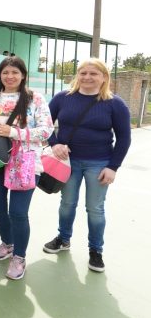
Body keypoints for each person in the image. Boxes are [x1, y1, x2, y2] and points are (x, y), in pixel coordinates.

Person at [42, 58, 131, 273]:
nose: (88, 77)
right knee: (67, 203)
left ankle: (95, 250)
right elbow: (43, 124)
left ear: (103, 77)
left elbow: (124, 138)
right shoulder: (63, 98)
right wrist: (55, 144)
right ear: (77, 76)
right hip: (67, 163)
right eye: (83, 73)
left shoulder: (115, 104)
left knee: (95, 209)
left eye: (94, 73)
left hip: (99, 163)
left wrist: (113, 167)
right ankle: (63, 239)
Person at [0, 56, 54, 280]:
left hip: (26, 162)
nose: (10, 76)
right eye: (5, 72)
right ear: (0, 75)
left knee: (18, 213)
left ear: (23, 75)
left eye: (15, 72)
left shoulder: (35, 99)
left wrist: (14, 132)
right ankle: (8, 243)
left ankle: (19, 257)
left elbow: (46, 130)